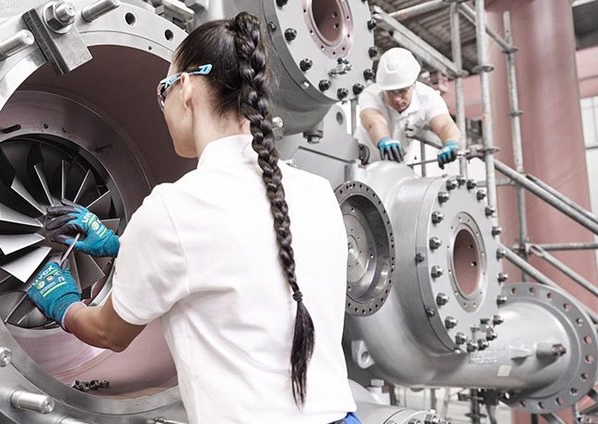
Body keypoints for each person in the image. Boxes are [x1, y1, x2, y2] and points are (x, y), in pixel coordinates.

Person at [27, 12, 360, 424]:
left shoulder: (175, 208)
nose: (163, 107)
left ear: (184, 88)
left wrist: (63, 304)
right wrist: (122, 247)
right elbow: (243, 266)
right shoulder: (318, 192)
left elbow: (106, 333)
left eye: (162, 91)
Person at [354, 47, 462, 168]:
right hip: (363, 162)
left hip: (398, 166)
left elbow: (444, 124)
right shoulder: (370, 94)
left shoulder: (428, 98)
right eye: (391, 92)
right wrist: (384, 139)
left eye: (402, 91)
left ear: (414, 84)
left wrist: (451, 143)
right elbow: (374, 122)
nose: (397, 98)